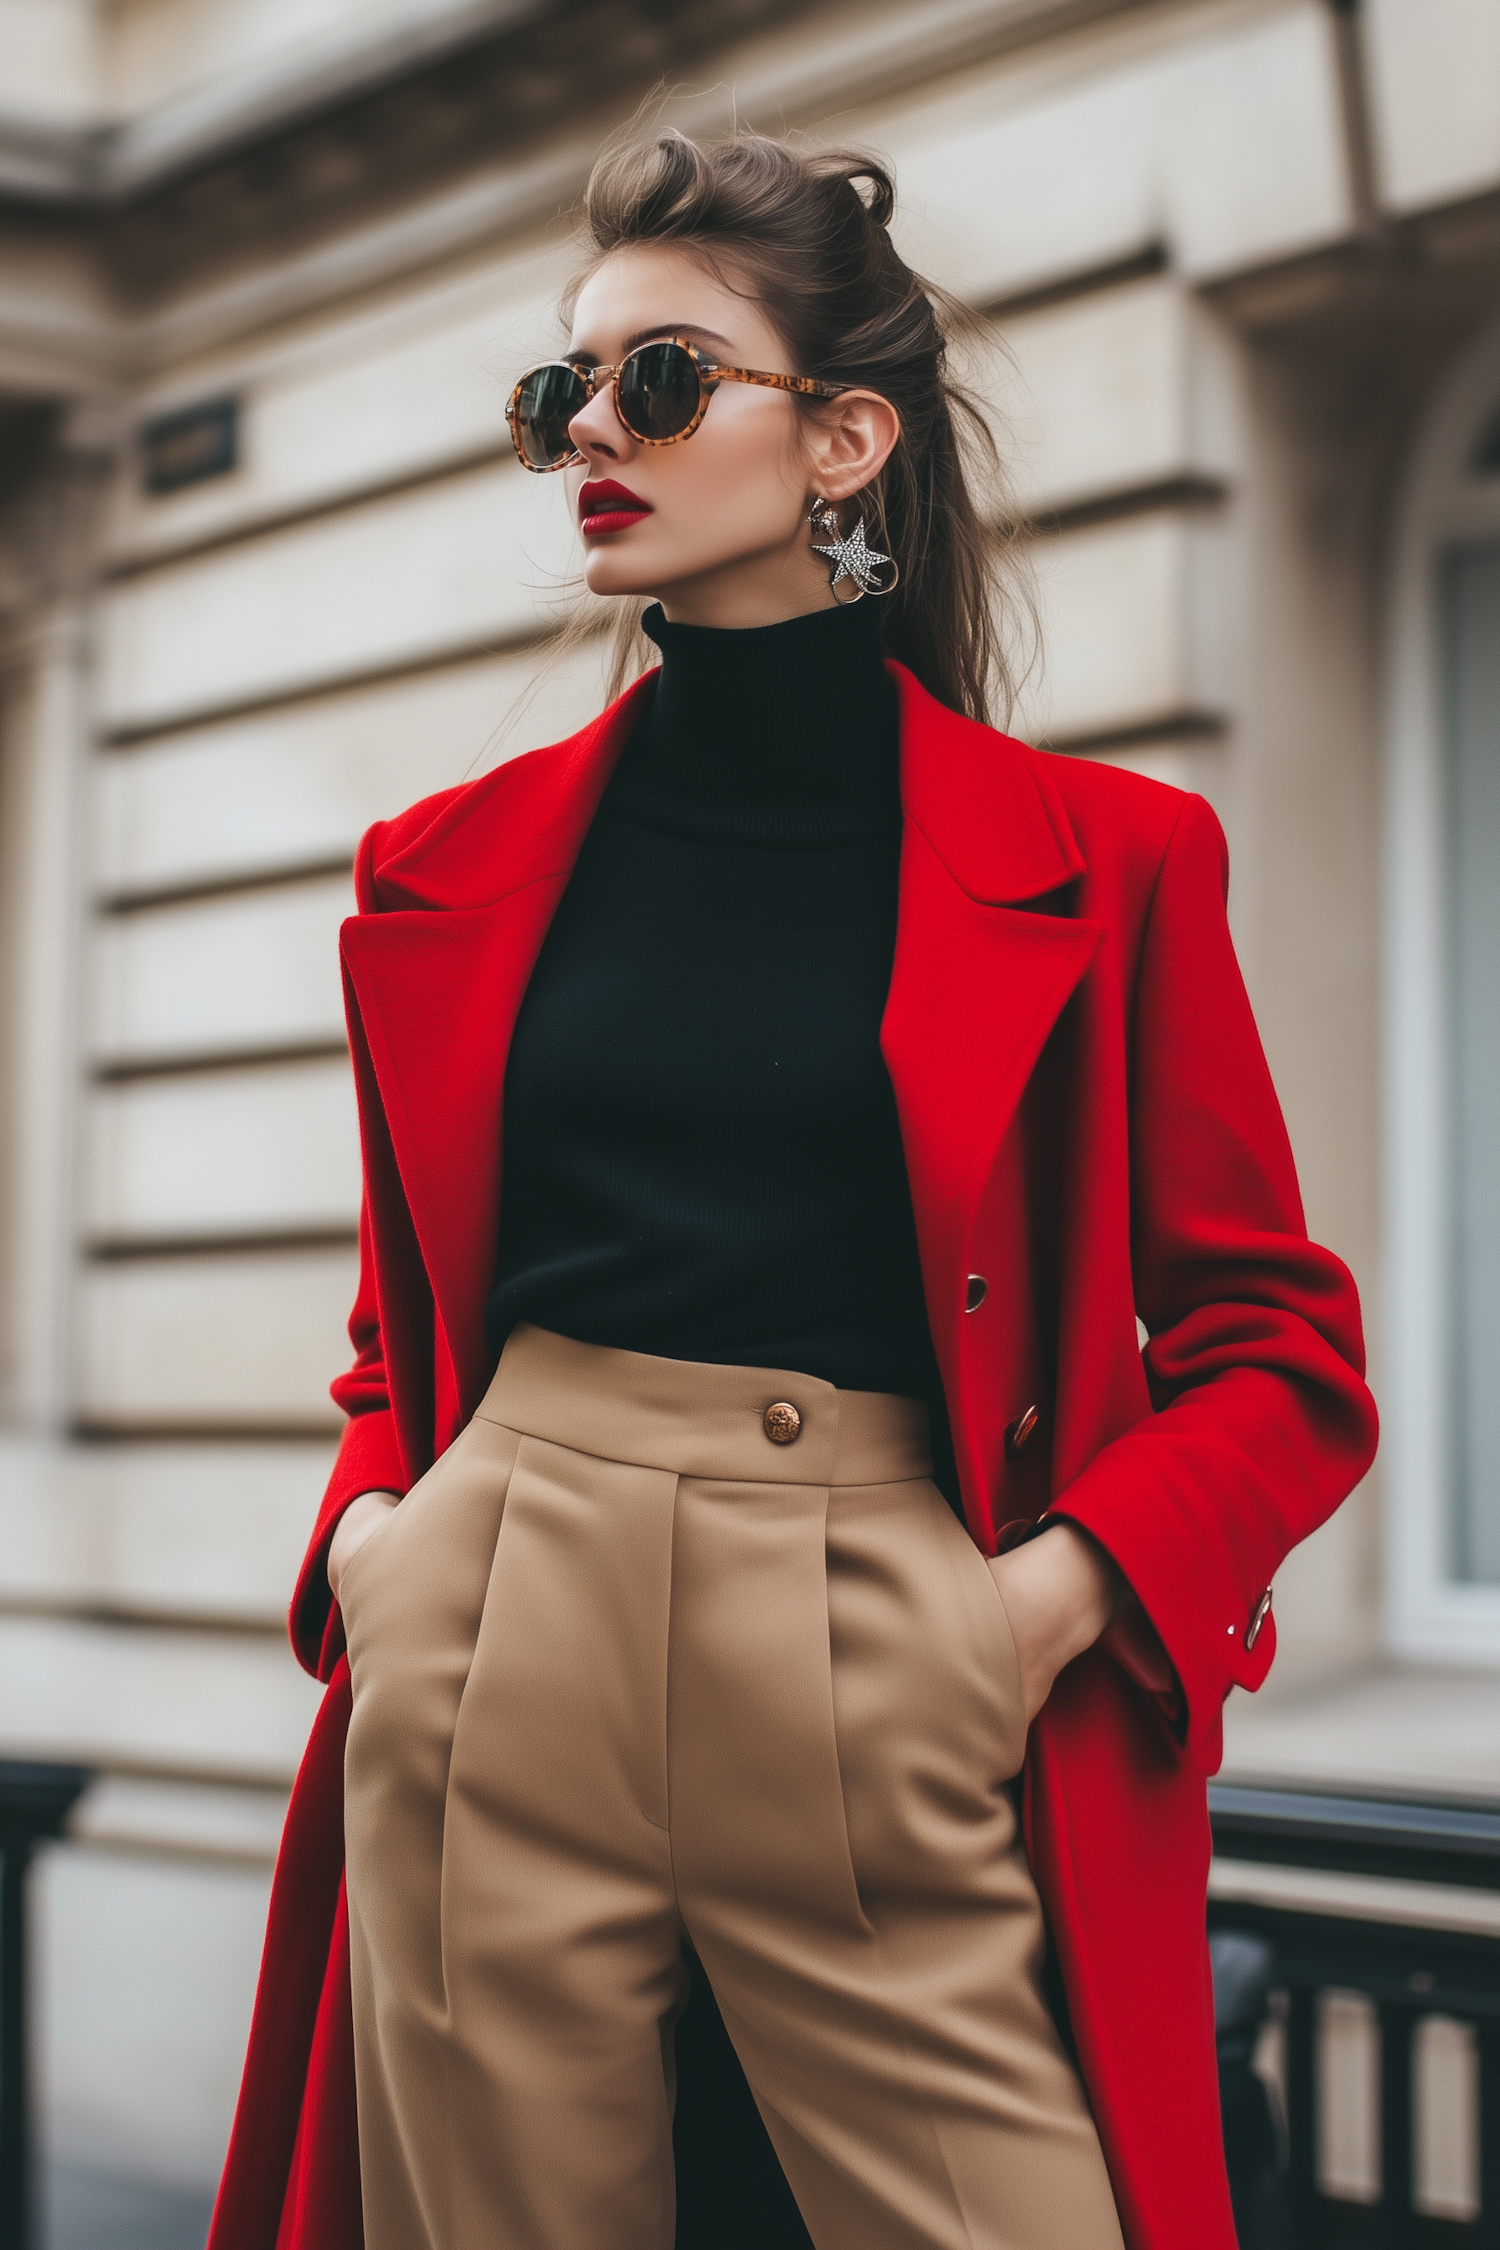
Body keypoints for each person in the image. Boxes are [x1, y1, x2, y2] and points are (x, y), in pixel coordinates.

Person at [207, 129, 1378, 2250]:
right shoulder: (438, 866)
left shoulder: (1109, 864)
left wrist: (1043, 1606)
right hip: (493, 1635)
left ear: (846, 439)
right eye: (560, 396)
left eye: (660, 381)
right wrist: (379, 1547)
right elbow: (407, 1331)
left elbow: (1279, 1352)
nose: (593, 435)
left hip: (882, 1645)